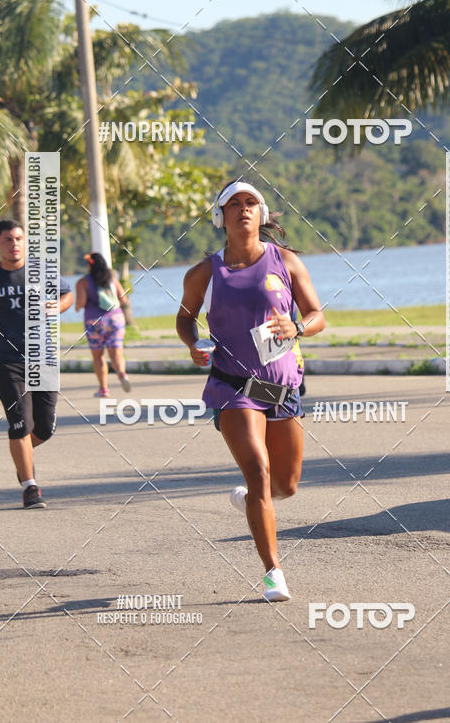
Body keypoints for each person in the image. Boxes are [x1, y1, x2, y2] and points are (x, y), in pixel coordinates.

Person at [177, 180, 325, 601]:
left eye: (251, 203)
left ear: (261, 214)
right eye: (234, 204)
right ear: (219, 216)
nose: (243, 209)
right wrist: (193, 343)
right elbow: (185, 317)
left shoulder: (286, 262)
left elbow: (317, 315)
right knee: (258, 472)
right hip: (232, 387)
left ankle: (253, 503)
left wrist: (297, 327)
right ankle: (273, 572)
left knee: (285, 485)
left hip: (282, 389)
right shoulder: (204, 273)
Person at [0, 219, 73, 509]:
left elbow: (67, 294)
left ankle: (20, 452)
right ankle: (30, 487)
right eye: (8, 239)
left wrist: (57, 306)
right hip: (5, 361)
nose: (14, 244)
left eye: (19, 239)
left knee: (44, 428)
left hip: (43, 358)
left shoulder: (42, 270)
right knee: (20, 422)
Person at [75, 252, 131, 398]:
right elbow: (123, 299)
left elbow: (81, 303)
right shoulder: (112, 278)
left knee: (98, 356)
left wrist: (77, 307)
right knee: (116, 352)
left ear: (89, 265)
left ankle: (104, 389)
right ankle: (122, 374)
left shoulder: (83, 282)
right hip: (116, 319)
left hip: (95, 321)